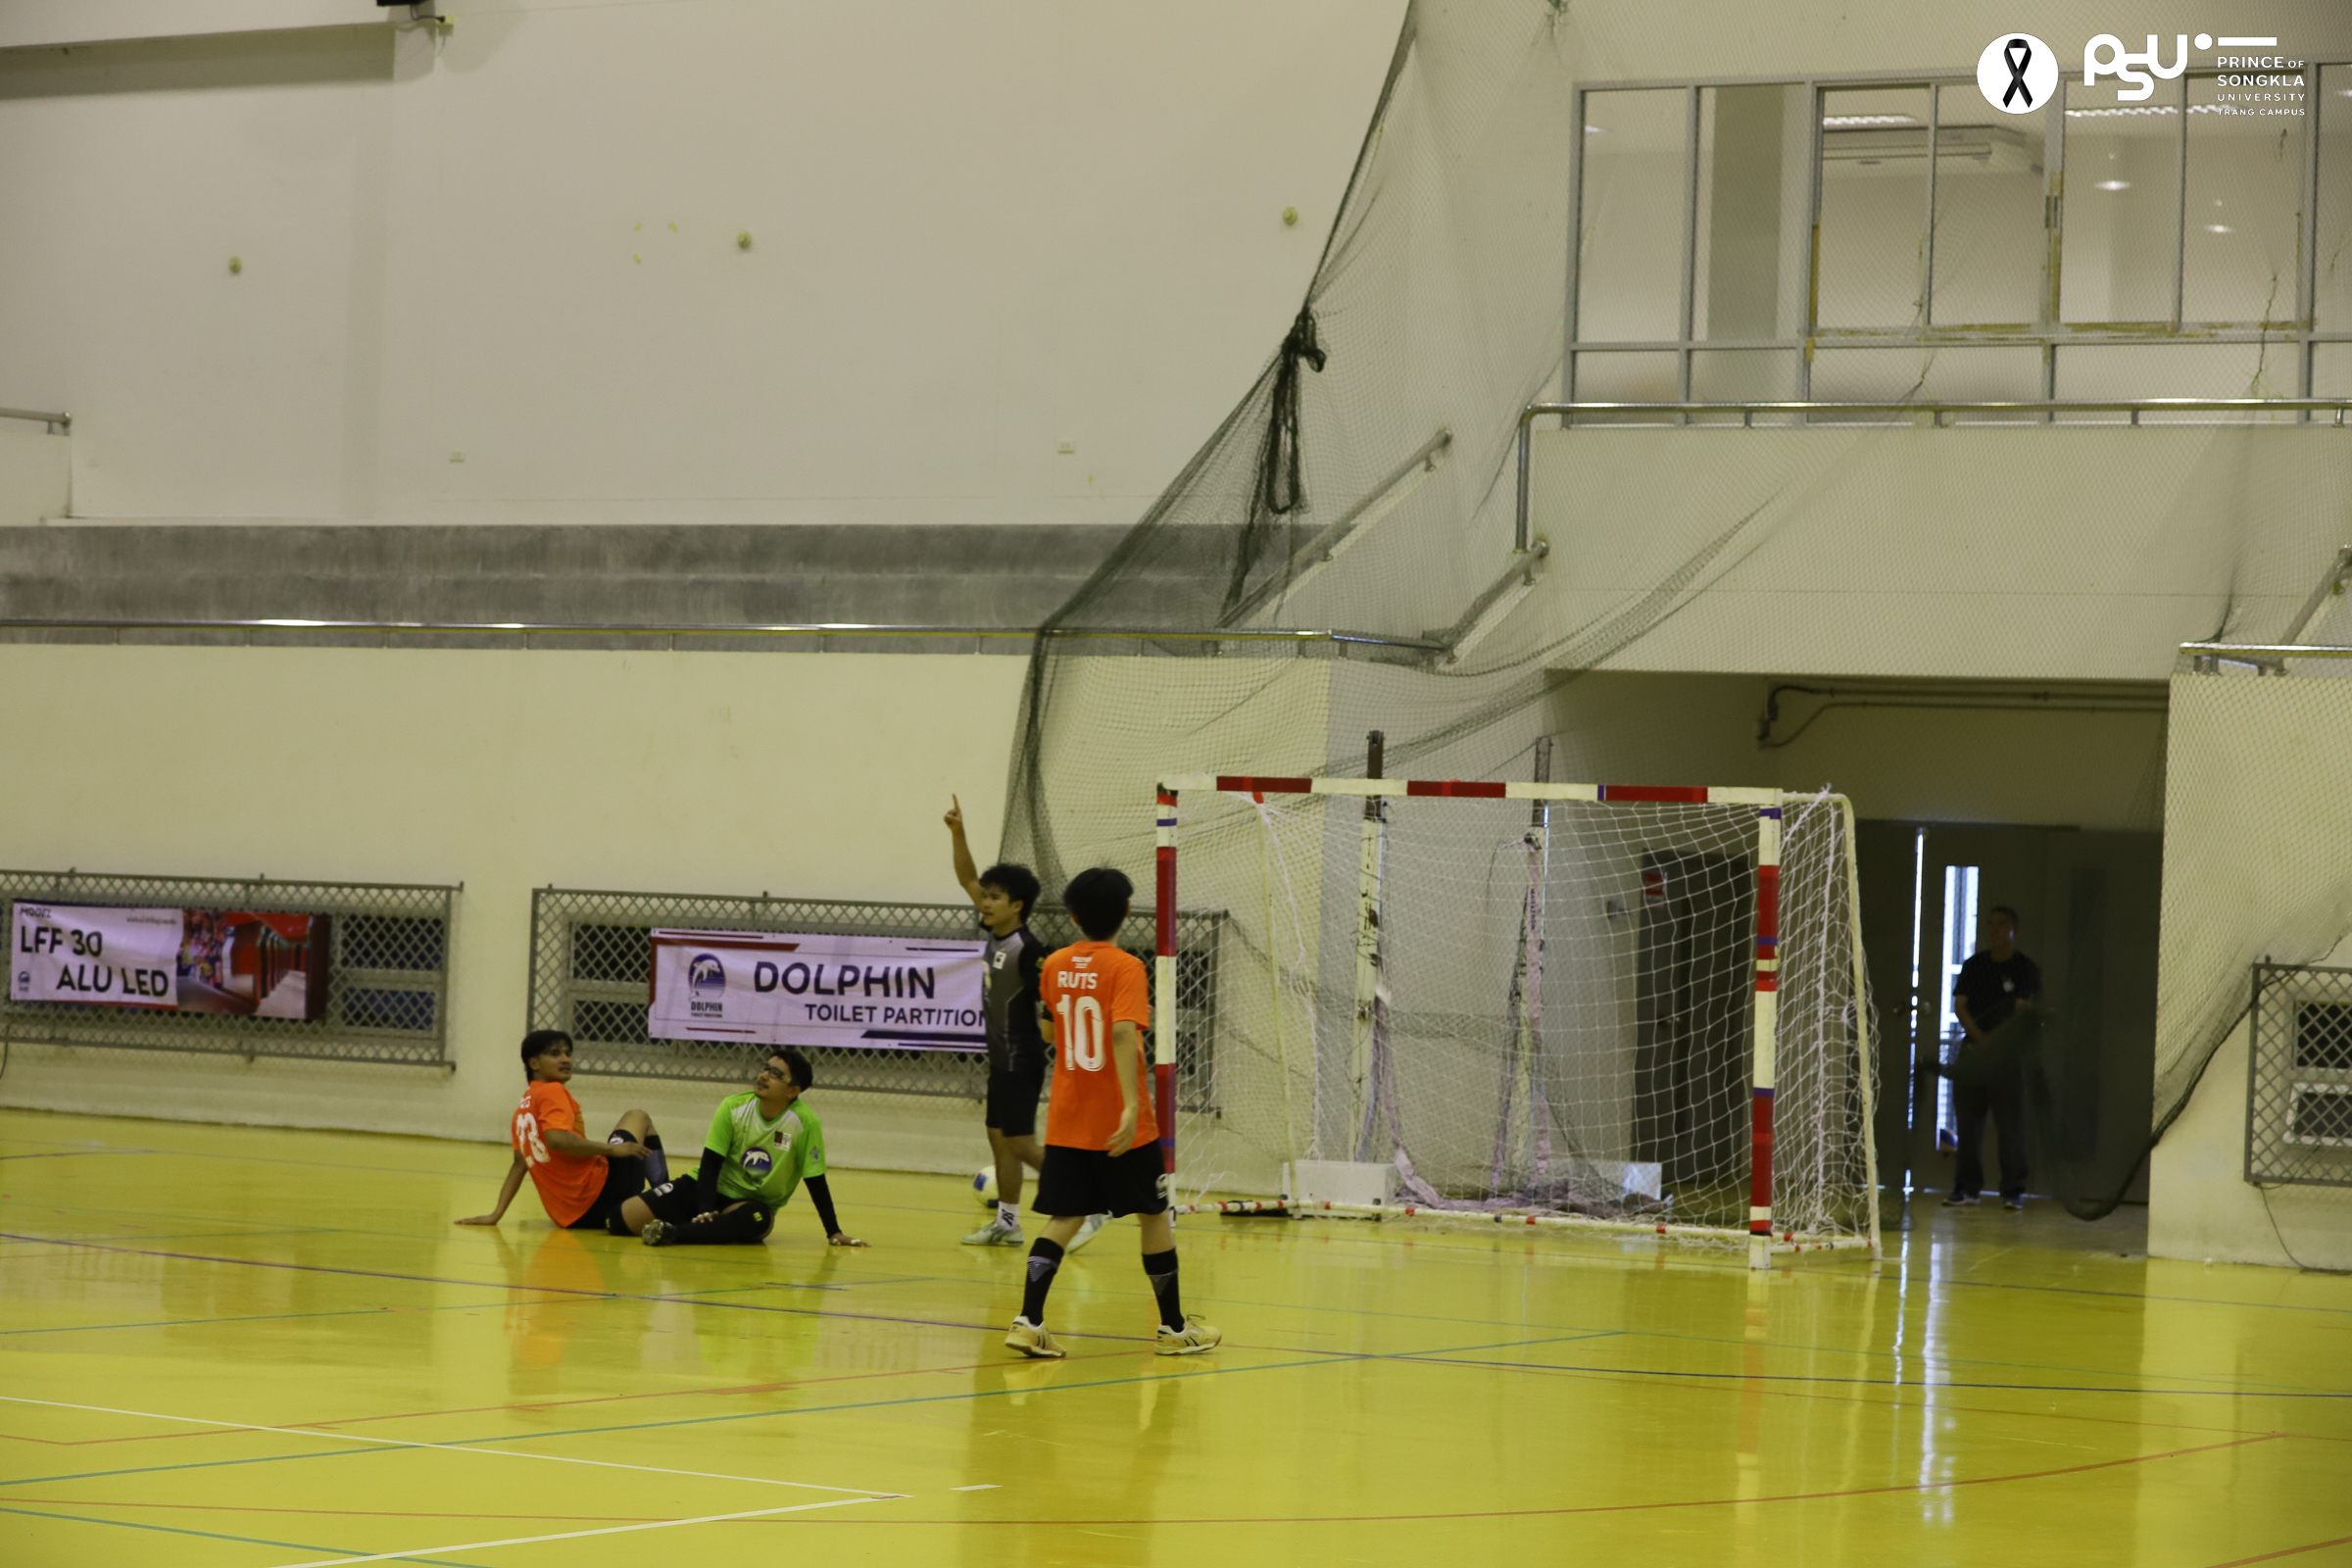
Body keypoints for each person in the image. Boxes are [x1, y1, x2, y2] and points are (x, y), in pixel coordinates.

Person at [1004, 866, 1219, 1359]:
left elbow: (1049, 1032)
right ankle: (1173, 1328)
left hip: (1067, 1118)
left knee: (1064, 1217)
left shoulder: (1055, 963)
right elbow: (1122, 1032)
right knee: (1154, 1215)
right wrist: (1129, 1105)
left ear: (1074, 916)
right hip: (1123, 1124)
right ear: (1126, 912)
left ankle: (1029, 1321)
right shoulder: (1126, 967)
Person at [945, 794, 1105, 1252]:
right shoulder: (995, 930)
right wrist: (958, 833)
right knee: (999, 1139)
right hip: (1001, 1060)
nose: (984, 901)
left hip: (1021, 1060)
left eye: (994, 897)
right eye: (985, 896)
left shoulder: (1028, 949)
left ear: (1016, 905)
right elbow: (967, 878)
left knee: (1018, 1143)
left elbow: (1054, 1001)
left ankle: (1089, 1204)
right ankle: (1008, 1223)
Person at [624, 1046, 866, 1249]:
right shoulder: (733, 1107)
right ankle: (697, 1223)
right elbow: (710, 1165)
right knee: (621, 1220)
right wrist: (705, 1210)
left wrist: (833, 1231)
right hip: (708, 1189)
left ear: (793, 1091)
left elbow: (815, 1180)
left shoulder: (805, 1122)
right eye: (765, 1068)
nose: (763, 1076)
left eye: (775, 1074)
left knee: (758, 1221)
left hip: (748, 1204)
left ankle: (673, 1233)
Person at [458, 1029, 668, 1232]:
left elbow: (519, 1164)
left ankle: (660, 1199)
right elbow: (557, 1139)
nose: (565, 1059)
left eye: (568, 1053)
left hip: (572, 1218)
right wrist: (612, 1149)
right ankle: (667, 1199)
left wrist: (495, 1214)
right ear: (534, 1063)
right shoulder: (552, 1090)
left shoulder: (521, 1111)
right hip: (601, 1193)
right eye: (555, 1054)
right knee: (638, 1116)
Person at [1944, 904, 2040, 1211]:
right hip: (1974, 1055)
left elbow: (2021, 1013)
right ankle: (1966, 1188)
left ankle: (2012, 1191)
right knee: (1968, 1125)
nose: (1994, 930)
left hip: (2007, 1057)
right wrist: (1980, 1039)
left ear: (2014, 930)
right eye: (1990, 924)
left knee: (2010, 1127)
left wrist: (1998, 1045)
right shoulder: (1974, 966)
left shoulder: (2025, 968)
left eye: (2001, 925)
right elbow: (1961, 1006)